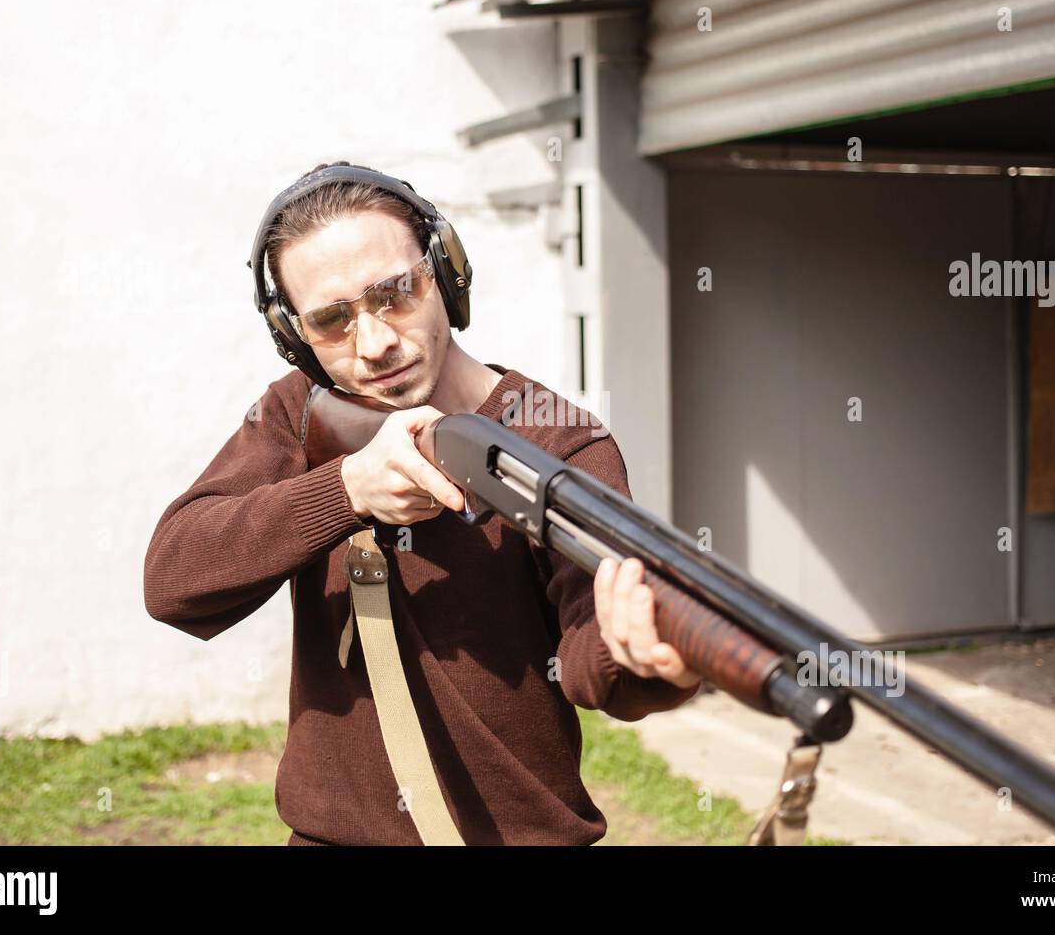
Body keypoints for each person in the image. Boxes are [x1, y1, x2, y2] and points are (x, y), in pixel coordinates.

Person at [143, 162, 700, 845]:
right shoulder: (297, 413)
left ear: (446, 273)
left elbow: (592, 659)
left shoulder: (556, 436)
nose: (374, 344)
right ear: (294, 336)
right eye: (331, 320)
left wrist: (645, 657)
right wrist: (345, 490)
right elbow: (174, 579)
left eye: (396, 293)